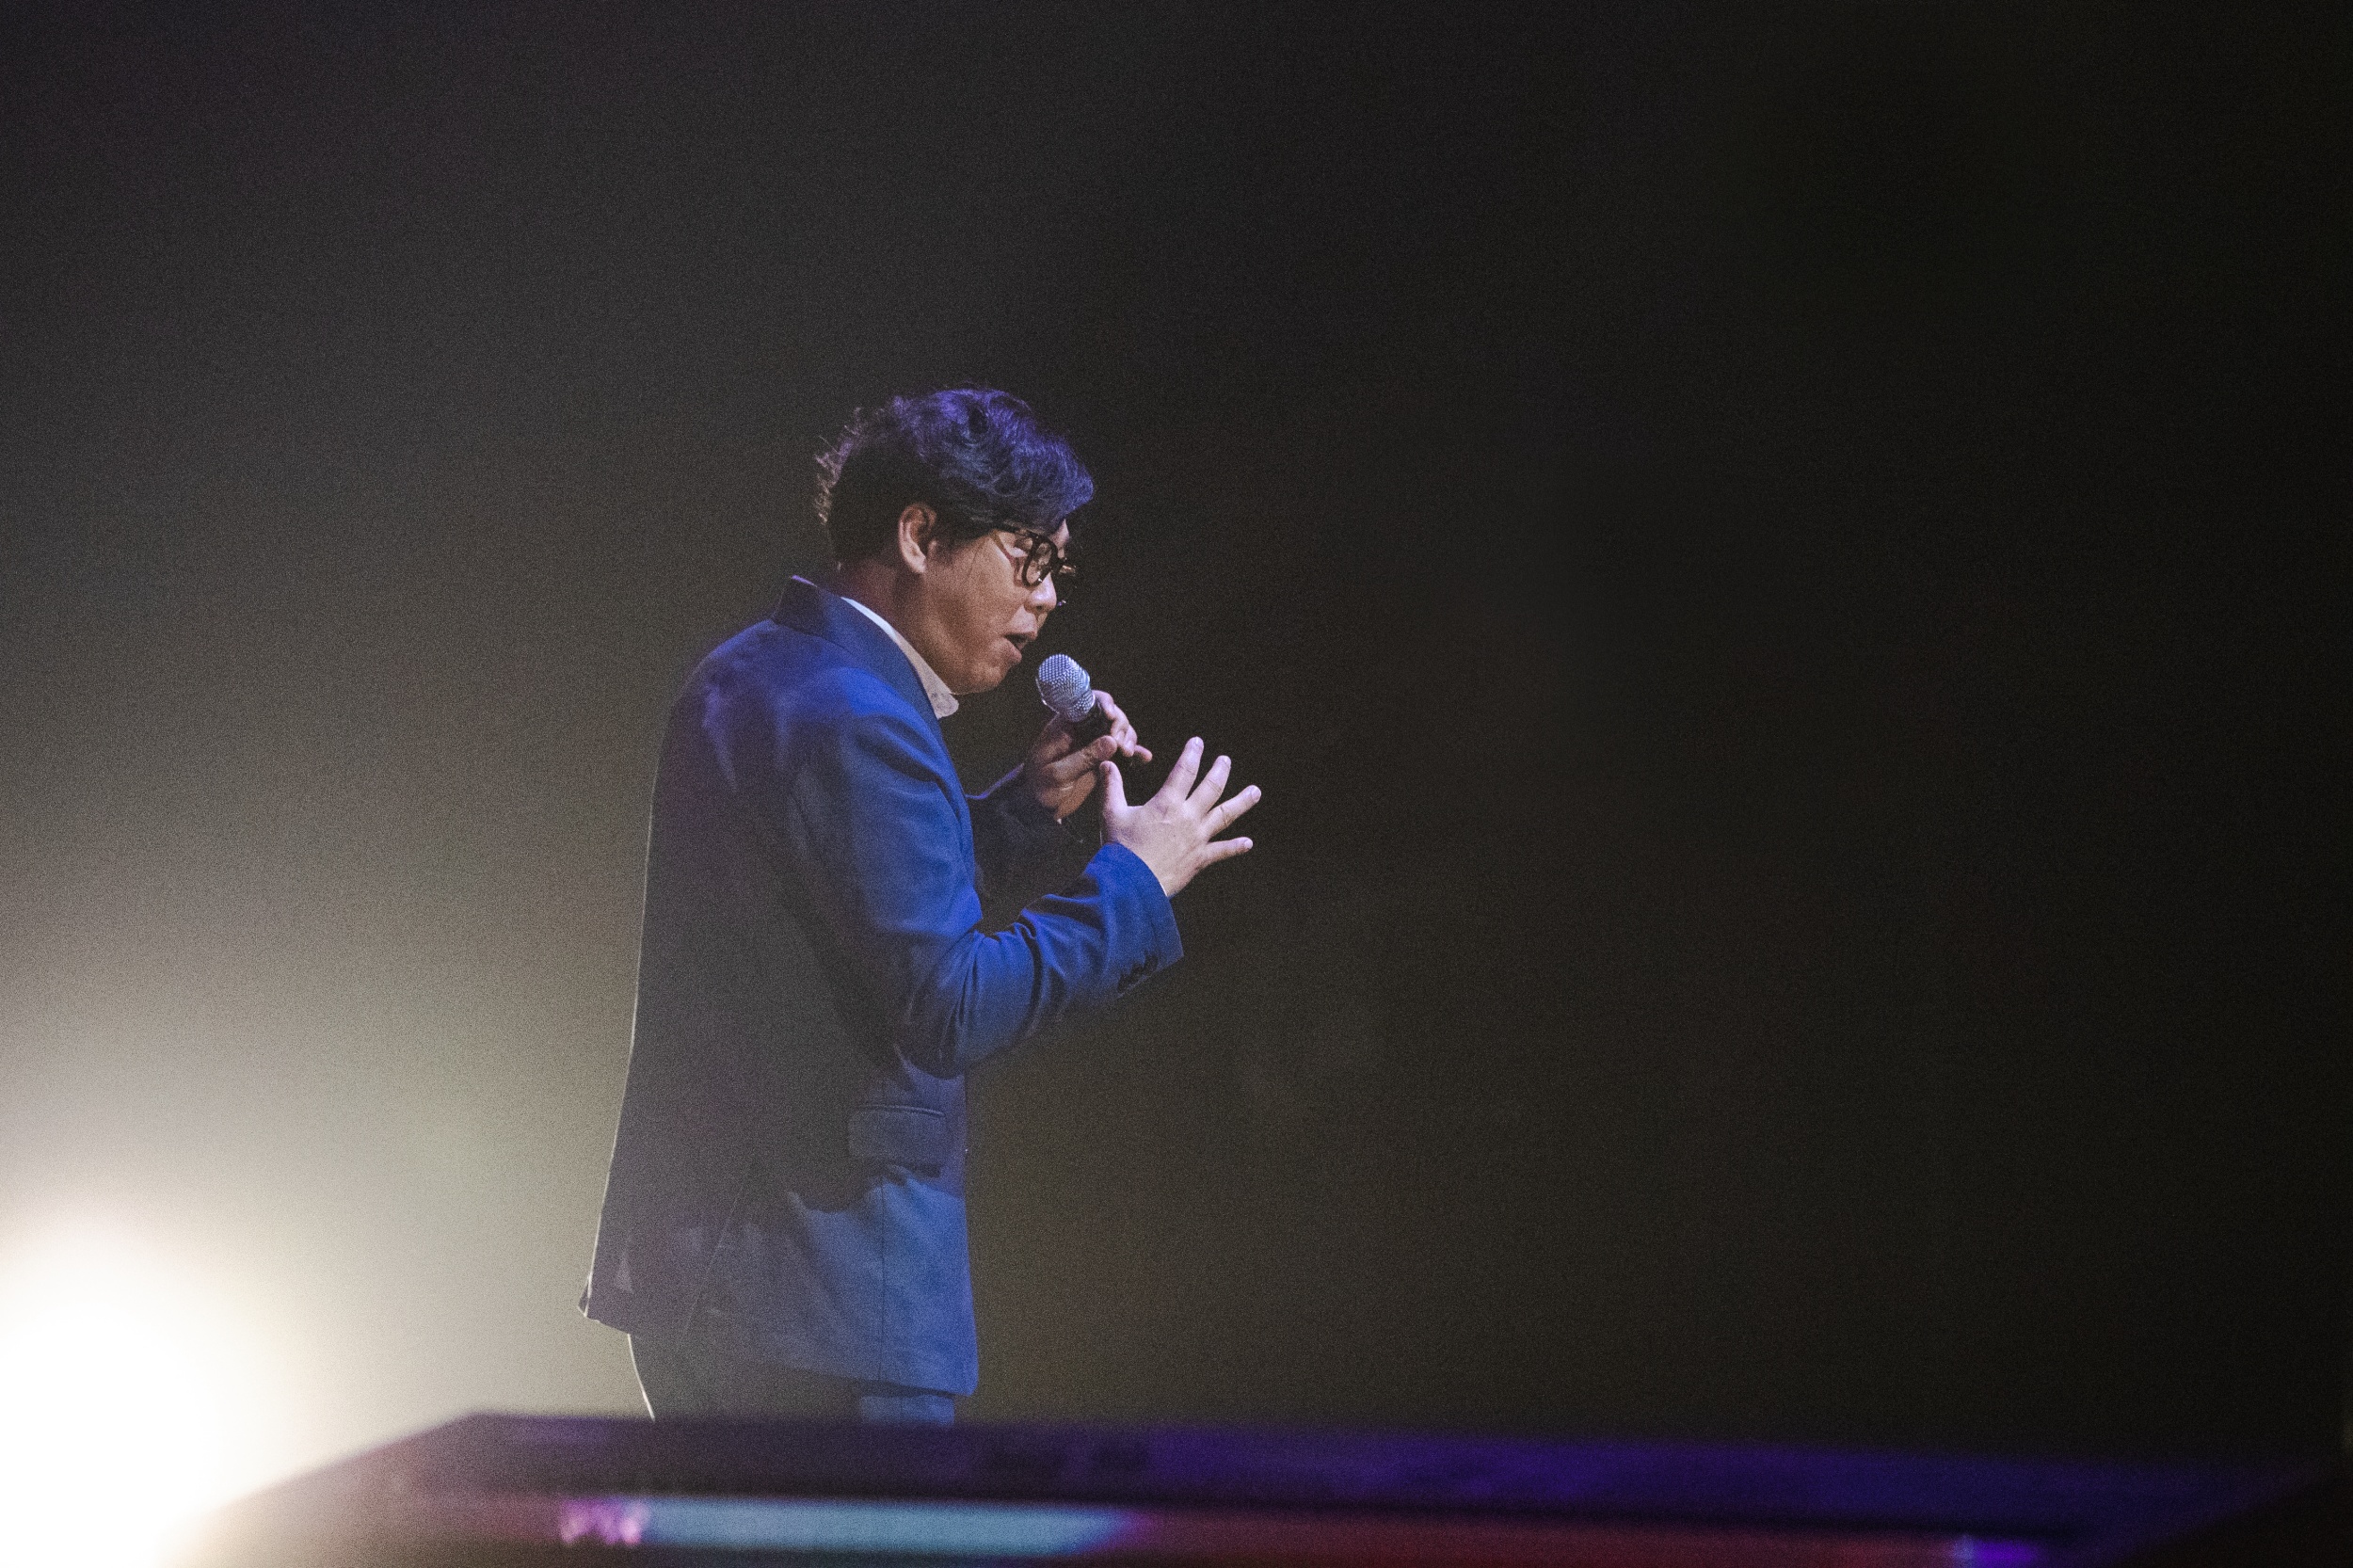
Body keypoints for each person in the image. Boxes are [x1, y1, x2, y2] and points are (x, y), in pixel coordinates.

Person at [581, 388, 1258, 1425]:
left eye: (1057, 570)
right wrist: (1135, 879)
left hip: (713, 1284)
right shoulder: (862, 716)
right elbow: (950, 1003)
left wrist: (1025, 810)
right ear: (919, 535)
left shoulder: (754, 672)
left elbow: (843, 909)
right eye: (1028, 558)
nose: (1046, 599)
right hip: (827, 1294)